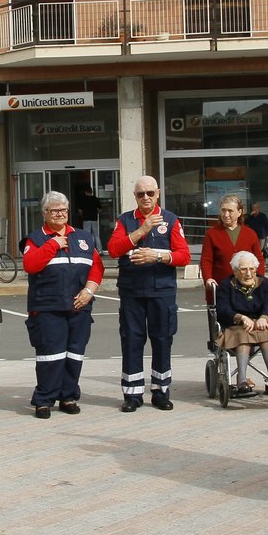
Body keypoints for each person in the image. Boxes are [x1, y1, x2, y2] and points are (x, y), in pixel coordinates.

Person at [107, 175, 190, 411]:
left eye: (150, 193)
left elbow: (183, 256)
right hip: (132, 291)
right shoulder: (125, 220)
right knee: (132, 340)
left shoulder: (171, 221)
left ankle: (161, 391)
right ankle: (132, 395)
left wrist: (158, 255)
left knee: (162, 339)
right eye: (141, 194)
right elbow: (113, 249)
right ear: (135, 196)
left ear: (158, 193)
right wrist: (140, 230)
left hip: (161, 291)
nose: (145, 198)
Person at [23, 190, 103, 418]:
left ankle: (68, 396)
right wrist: (53, 244)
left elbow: (96, 267)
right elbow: (31, 264)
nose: (60, 214)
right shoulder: (35, 239)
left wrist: (89, 291)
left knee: (74, 354)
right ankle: (44, 400)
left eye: (63, 210)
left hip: (79, 307)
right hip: (48, 308)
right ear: (45, 213)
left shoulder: (83, 238)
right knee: (51, 355)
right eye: (54, 210)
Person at [215, 250, 268, 397]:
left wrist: (264, 317)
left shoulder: (264, 283)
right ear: (235, 271)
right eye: (243, 269)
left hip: (259, 324)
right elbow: (223, 309)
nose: (249, 273)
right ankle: (242, 381)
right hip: (236, 326)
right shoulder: (226, 285)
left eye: (252, 269)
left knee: (267, 336)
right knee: (243, 337)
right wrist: (241, 318)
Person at [201, 194, 263, 288]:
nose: (226, 215)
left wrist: (259, 278)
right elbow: (206, 260)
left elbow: (258, 259)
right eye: (223, 210)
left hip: (246, 287)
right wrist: (208, 278)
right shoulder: (212, 234)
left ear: (239, 212)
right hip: (220, 286)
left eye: (230, 211)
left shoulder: (250, 234)